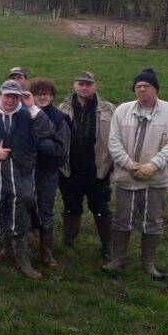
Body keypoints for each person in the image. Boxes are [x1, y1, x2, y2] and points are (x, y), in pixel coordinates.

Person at [0, 80, 57, 279]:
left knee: (20, 215)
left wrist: (32, 106)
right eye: (7, 95)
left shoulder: (29, 115)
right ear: (0, 94)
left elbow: (48, 131)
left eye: (15, 96)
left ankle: (23, 261)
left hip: (21, 175)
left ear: (21, 97)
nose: (10, 100)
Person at [104, 69, 168, 279]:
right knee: (122, 218)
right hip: (127, 176)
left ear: (155, 88)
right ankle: (117, 259)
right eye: (138, 86)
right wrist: (130, 165)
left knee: (153, 220)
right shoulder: (122, 110)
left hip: (156, 178)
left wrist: (152, 166)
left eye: (146, 86)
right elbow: (113, 141)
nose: (142, 89)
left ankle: (148, 263)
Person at [58, 70, 115, 261]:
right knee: (71, 207)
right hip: (70, 170)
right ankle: (68, 241)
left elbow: (116, 139)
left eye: (88, 84)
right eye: (80, 83)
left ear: (95, 86)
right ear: (74, 85)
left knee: (100, 208)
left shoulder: (108, 109)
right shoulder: (62, 108)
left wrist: (110, 166)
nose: (84, 87)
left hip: (97, 170)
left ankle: (108, 247)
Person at [27, 78, 71, 269]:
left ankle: (47, 253)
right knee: (19, 207)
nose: (42, 97)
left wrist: (39, 143)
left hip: (47, 171)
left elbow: (60, 150)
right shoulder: (23, 115)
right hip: (24, 171)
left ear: (53, 96)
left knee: (45, 208)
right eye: (38, 93)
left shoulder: (60, 119)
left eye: (47, 93)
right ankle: (13, 248)